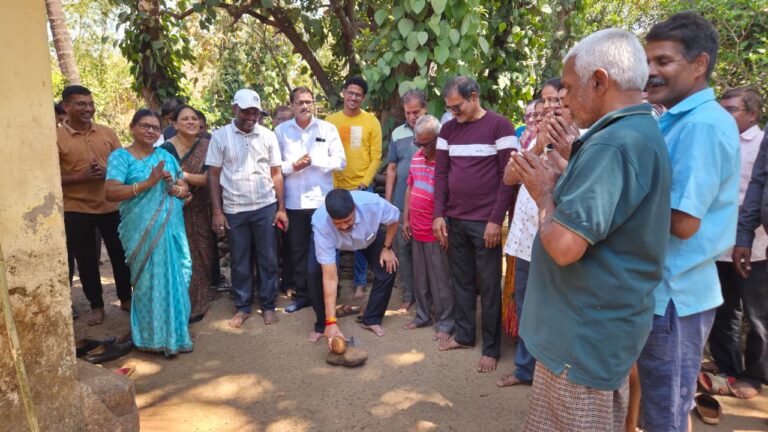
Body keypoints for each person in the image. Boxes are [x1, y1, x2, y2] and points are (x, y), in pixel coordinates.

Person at [510, 29, 671, 431]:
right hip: (592, 336)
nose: (562, 98)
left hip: (580, 344)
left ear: (599, 80)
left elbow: (564, 247)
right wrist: (570, 165)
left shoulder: (614, 144)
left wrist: (544, 193)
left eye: (567, 87)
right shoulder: (633, 133)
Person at [638, 12, 740, 432]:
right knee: (658, 407)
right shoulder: (674, 119)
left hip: (676, 296)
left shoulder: (701, 125)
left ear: (699, 64)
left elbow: (682, 222)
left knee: (666, 414)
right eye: (649, 61)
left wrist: (616, 197)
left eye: (664, 61)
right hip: (663, 292)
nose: (652, 71)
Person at [433, 76, 518, 373]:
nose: (453, 113)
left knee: (491, 286)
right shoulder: (447, 130)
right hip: (455, 219)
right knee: (462, 282)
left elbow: (509, 178)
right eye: (449, 108)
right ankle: (466, 336)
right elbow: (441, 175)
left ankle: (492, 348)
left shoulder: (500, 126)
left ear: (473, 96)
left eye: (457, 107)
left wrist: (496, 220)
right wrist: (439, 214)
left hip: (485, 223)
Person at [104, 109, 194, 356]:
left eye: (155, 128)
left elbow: (183, 187)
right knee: (147, 283)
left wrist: (173, 187)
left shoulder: (165, 156)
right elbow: (110, 192)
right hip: (142, 232)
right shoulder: (121, 157)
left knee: (179, 275)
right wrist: (147, 183)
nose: (151, 131)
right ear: (132, 127)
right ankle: (151, 337)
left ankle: (176, 332)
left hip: (171, 228)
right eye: (145, 126)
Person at [496, 78, 566, 388]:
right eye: (545, 103)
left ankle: (549, 373)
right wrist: (539, 144)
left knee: (550, 307)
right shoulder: (531, 140)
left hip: (555, 238)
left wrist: (559, 149)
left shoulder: (581, 137)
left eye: (555, 101)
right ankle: (525, 368)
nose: (549, 108)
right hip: (525, 238)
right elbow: (510, 176)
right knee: (525, 303)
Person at [206, 88, 289, 328]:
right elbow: (213, 176)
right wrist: (217, 211)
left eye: (255, 112)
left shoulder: (267, 136)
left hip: (265, 207)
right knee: (240, 260)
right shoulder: (220, 137)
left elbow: (276, 173)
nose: (251, 117)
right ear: (234, 109)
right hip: (234, 209)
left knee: (268, 259)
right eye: (246, 112)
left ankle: (268, 305)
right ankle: (242, 307)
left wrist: (281, 207)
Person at [57, 85, 133, 326]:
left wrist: (107, 172)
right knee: (86, 260)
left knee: (121, 255)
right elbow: (48, 179)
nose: (88, 108)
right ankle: (96, 306)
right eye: (81, 104)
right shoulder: (54, 138)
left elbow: (126, 167)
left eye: (90, 103)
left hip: (111, 206)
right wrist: (81, 177)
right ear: (67, 107)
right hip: (76, 209)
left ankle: (126, 298)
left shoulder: (107, 133)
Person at [275, 87, 346, 321]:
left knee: (325, 249)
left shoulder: (327, 128)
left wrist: (315, 160)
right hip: (294, 202)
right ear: (292, 105)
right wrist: (293, 166)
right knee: (298, 250)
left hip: (321, 202)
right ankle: (303, 296)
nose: (305, 106)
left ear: (314, 103)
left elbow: (340, 161)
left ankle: (328, 294)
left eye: (309, 101)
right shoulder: (281, 131)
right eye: (300, 102)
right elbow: (275, 166)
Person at [718, 86, 768, 399]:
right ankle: (727, 368)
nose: (725, 115)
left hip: (755, 246)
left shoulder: (761, 142)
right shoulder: (720, 140)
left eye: (731, 109)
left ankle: (755, 376)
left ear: (752, 113)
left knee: (758, 315)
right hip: (719, 246)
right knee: (725, 310)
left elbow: (754, 193)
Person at [312, 189, 400, 342]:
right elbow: (330, 277)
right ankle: (324, 325)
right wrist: (331, 321)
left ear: (354, 207)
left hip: (368, 238)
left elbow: (394, 219)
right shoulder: (321, 224)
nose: (345, 227)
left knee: (388, 268)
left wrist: (387, 248)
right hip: (336, 242)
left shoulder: (372, 204)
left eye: (348, 220)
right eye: (338, 223)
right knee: (314, 275)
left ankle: (371, 319)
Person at [327, 76, 382, 302]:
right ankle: (335, 282)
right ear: (343, 93)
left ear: (363, 98)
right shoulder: (330, 121)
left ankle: (360, 283)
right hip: (335, 188)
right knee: (333, 237)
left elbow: (376, 155)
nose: (353, 97)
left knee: (361, 238)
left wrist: (365, 181)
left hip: (362, 188)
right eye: (350, 93)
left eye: (358, 94)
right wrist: (331, 184)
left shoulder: (371, 122)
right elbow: (325, 153)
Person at [401, 115, 454, 340]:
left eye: (426, 144)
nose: (421, 148)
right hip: (417, 227)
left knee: (440, 279)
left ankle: (446, 323)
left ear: (438, 140)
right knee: (420, 277)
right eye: (418, 143)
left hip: (436, 231)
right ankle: (422, 315)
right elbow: (409, 189)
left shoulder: (447, 163)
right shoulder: (416, 158)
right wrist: (406, 219)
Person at [160, 104, 214, 323]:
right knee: (179, 255)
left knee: (202, 253)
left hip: (201, 208)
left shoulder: (208, 146)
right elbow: (165, 178)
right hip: (174, 208)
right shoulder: (166, 149)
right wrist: (184, 183)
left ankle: (199, 301)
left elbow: (212, 178)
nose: (191, 122)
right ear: (174, 124)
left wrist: (184, 175)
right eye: (185, 119)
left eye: (194, 118)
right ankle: (179, 301)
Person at [386, 89, 427, 314]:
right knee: (403, 249)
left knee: (427, 252)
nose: (412, 117)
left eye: (416, 112)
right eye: (408, 112)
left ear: (425, 108)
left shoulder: (435, 130)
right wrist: (389, 200)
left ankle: (427, 298)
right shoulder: (397, 134)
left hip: (426, 205)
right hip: (402, 203)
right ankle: (408, 295)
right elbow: (391, 169)